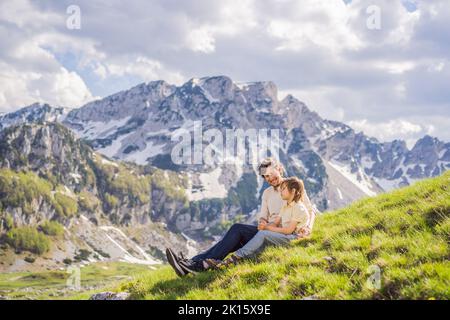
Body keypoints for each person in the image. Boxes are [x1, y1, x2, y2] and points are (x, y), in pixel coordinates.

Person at [165, 158, 317, 277]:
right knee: (233, 235)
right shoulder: (267, 194)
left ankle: (193, 264)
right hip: (269, 229)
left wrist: (308, 228)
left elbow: (310, 211)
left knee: (236, 232)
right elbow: (263, 217)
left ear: (278, 168)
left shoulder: (292, 187)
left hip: (280, 232)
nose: (269, 178)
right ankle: (190, 264)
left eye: (271, 174)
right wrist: (263, 222)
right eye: (265, 177)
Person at [215, 177, 309, 267]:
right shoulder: (285, 205)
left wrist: (267, 228)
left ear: (293, 191)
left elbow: (288, 230)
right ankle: (240, 259)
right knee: (261, 234)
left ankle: (236, 256)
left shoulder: (298, 208)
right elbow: (275, 222)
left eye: (284, 189)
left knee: (264, 234)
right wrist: (264, 225)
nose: (281, 191)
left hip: (295, 238)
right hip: (286, 236)